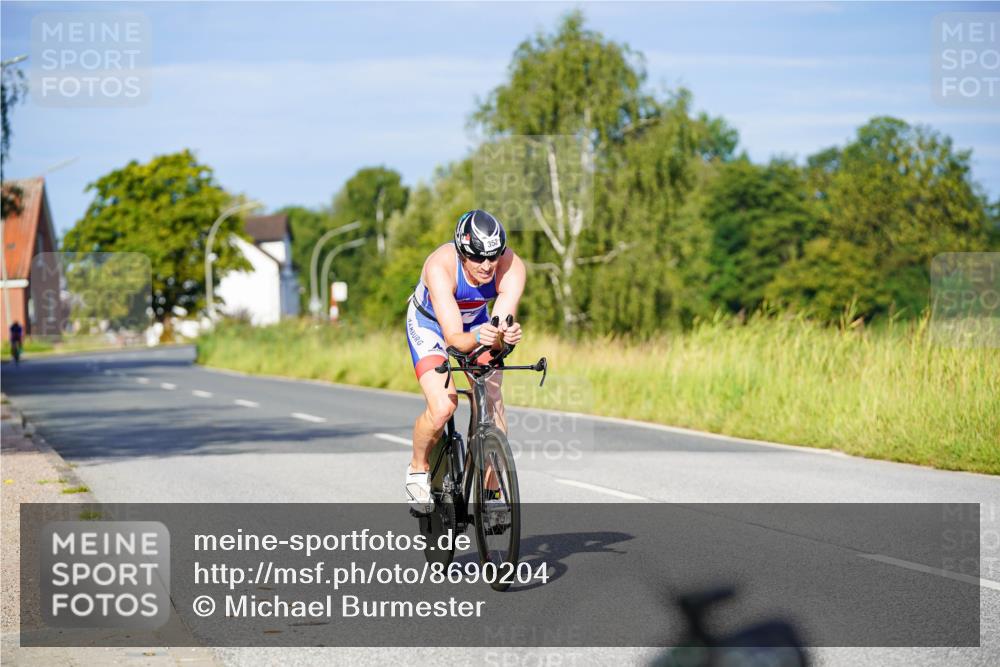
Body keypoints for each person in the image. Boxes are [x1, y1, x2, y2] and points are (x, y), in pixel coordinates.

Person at [404, 210, 525, 512]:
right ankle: (418, 467)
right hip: (432, 324)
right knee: (444, 406)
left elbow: (499, 322)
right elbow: (455, 338)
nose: (487, 265)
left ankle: (492, 493)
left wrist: (505, 336)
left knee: (492, 397)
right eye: (478, 257)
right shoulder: (440, 266)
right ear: (461, 252)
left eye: (493, 256)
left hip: (477, 323)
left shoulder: (512, 266)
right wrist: (486, 336)